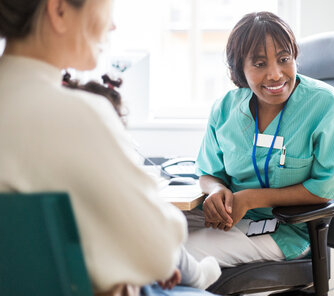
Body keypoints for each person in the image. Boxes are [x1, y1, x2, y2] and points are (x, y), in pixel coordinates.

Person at [0, 0, 217, 295]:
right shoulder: (76, 114)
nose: (112, 25)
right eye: (106, 6)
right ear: (59, 11)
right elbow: (158, 249)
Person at [185, 11, 334, 266]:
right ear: (238, 69)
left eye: (284, 59)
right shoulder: (225, 108)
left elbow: (326, 188)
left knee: (178, 255)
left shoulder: (324, 104)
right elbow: (207, 172)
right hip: (230, 220)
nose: (275, 74)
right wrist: (216, 190)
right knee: (147, 234)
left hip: (284, 230)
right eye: (260, 64)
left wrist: (251, 198)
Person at [61, 72, 221, 290]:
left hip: (64, 275)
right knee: (164, 236)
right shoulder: (112, 185)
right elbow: (161, 232)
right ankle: (198, 276)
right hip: (109, 279)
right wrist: (158, 264)